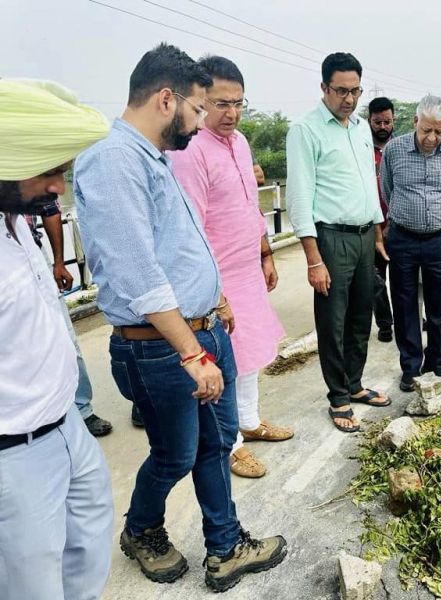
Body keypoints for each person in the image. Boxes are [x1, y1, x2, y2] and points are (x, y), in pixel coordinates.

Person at [74, 44, 287, 590]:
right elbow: (137, 274)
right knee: (175, 454)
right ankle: (142, 529)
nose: (200, 122)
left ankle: (226, 544)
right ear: (167, 99)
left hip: (202, 329)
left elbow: (181, 245)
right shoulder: (114, 160)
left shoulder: (155, 157)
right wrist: (191, 352)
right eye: (197, 109)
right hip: (160, 346)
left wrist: (213, 301)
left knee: (215, 445)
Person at [0, 78, 113, 600]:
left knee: (87, 554)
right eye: (48, 171)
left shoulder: (15, 221)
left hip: (66, 427)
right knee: (33, 587)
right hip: (14, 455)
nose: (57, 189)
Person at [170, 55, 293, 480]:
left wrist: (266, 253)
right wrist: (214, 293)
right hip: (217, 277)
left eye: (239, 103)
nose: (232, 113)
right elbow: (189, 229)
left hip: (247, 268)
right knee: (225, 361)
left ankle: (250, 421)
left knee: (252, 354)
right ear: (201, 101)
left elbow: (249, 205)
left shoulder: (239, 143)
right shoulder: (191, 151)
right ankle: (231, 444)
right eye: (221, 104)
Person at [286, 52, 389, 433]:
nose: (349, 99)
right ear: (324, 88)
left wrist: (377, 232)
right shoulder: (305, 129)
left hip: (364, 236)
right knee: (334, 320)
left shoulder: (360, 128)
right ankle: (338, 397)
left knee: (363, 313)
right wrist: (314, 259)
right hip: (331, 238)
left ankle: (356, 383)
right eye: (341, 91)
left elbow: (368, 184)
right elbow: (298, 198)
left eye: (355, 91)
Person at [379, 95, 441, 390]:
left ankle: (436, 364)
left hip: (439, 239)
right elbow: (387, 189)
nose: (432, 138)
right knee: (403, 304)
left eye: (439, 131)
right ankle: (410, 367)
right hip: (402, 237)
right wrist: (407, 215)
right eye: (427, 130)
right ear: (415, 122)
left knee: (439, 305)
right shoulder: (394, 150)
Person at [29, 200, 114, 436]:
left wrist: (58, 262)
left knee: (65, 338)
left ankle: (82, 408)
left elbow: (50, 209)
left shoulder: (20, 169)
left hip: (33, 255)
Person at [368, 96, 395, 343]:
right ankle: (385, 324)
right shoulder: (361, 149)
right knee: (376, 280)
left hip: (398, 227)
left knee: (404, 278)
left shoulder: (402, 149)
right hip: (370, 228)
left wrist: (392, 223)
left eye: (387, 121)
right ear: (370, 121)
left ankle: (412, 316)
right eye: (378, 122)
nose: (383, 127)